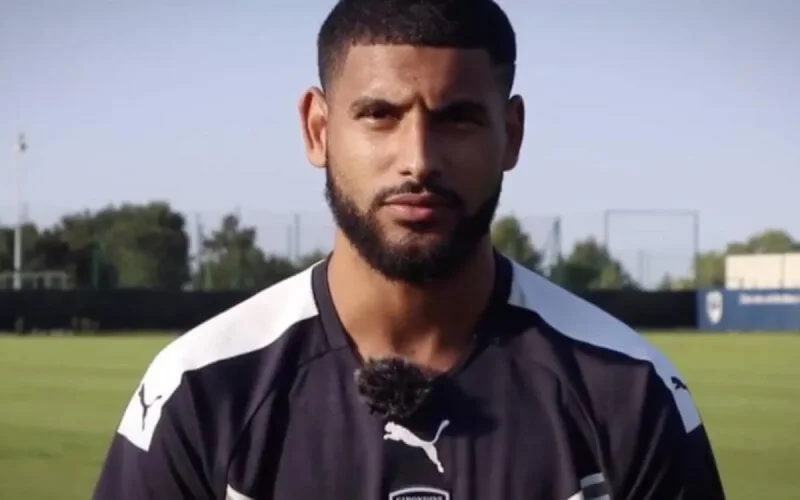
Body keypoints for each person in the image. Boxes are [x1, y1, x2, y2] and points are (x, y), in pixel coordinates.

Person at [93, 0, 726, 498]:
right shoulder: (203, 388)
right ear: (318, 129)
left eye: (457, 118)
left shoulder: (629, 392)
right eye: (379, 114)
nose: (418, 160)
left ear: (511, 135)